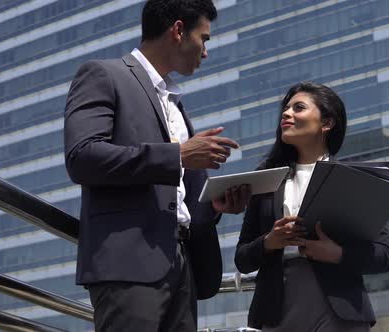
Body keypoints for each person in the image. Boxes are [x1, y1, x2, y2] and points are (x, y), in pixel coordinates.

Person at [64, 1, 250, 331]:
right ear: (178, 31)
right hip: (128, 267)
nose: (205, 52)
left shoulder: (176, 106)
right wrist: (177, 155)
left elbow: (178, 201)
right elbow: (83, 157)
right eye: (204, 39)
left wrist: (216, 206)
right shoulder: (104, 74)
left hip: (182, 267)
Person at [234, 82, 389, 332]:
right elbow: (242, 259)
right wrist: (270, 241)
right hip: (275, 309)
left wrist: (337, 253)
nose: (286, 114)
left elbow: (383, 256)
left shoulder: (352, 182)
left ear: (327, 123)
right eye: (285, 109)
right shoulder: (266, 180)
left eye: (298, 108)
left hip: (338, 310)